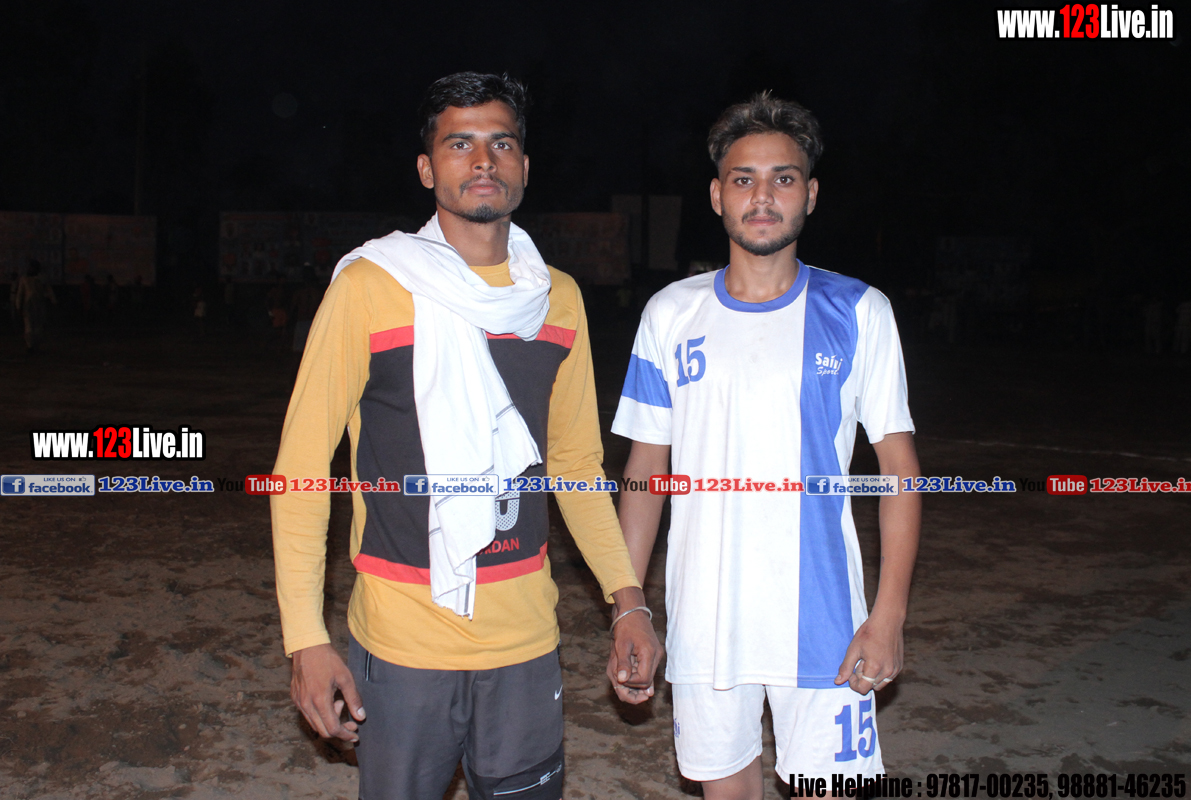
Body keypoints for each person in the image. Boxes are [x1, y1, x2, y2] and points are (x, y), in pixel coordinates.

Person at [271, 72, 661, 800]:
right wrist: (306, 639)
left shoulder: (557, 298)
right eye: (460, 144)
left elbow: (575, 467)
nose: (483, 160)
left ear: (524, 166)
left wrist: (627, 599)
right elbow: (300, 470)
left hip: (526, 642)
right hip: (402, 642)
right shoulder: (369, 287)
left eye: (501, 143)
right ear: (427, 169)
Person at [613, 93, 922, 799]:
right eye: (743, 179)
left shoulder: (860, 311)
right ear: (717, 195)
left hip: (825, 622)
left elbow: (899, 471)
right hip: (705, 622)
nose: (762, 196)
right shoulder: (670, 314)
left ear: (809, 194)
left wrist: (889, 615)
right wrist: (630, 607)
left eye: (783, 178)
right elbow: (645, 471)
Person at [15, 260, 56, 352]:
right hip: (28, 305)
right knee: (29, 325)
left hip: (39, 304)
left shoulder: (42, 278)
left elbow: (49, 290)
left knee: (38, 325)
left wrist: (53, 301)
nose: (31, 269)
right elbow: (20, 293)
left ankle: (36, 345)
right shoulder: (24, 279)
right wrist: (18, 306)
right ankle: (30, 346)